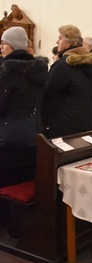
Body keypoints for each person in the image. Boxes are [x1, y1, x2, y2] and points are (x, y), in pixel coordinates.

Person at [0, 26, 49, 187]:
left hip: (8, 138)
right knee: (24, 182)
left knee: (6, 185)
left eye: (4, 43)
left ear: (13, 46)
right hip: (32, 133)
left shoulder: (8, 71)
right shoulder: (37, 70)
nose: (1, 47)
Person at [42, 25, 92, 138]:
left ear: (70, 42)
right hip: (85, 124)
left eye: (60, 38)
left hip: (63, 127)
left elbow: (48, 96)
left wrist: (43, 123)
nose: (57, 41)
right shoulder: (91, 65)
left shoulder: (63, 66)